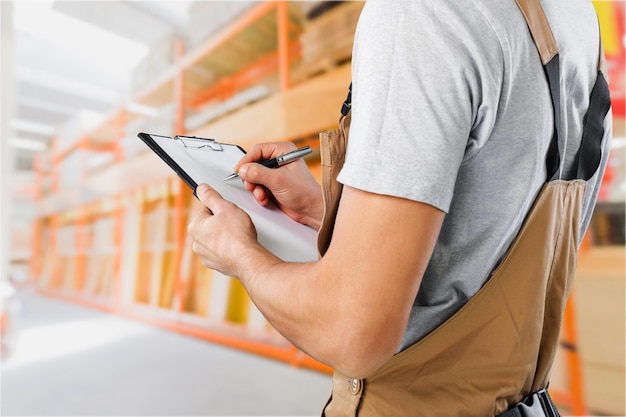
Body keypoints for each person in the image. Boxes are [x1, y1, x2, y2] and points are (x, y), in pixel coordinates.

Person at [188, 0, 612, 415]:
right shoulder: (577, 18)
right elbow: (488, 228)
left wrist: (239, 253)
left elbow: (350, 330)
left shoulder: (420, 13)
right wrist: (325, 212)